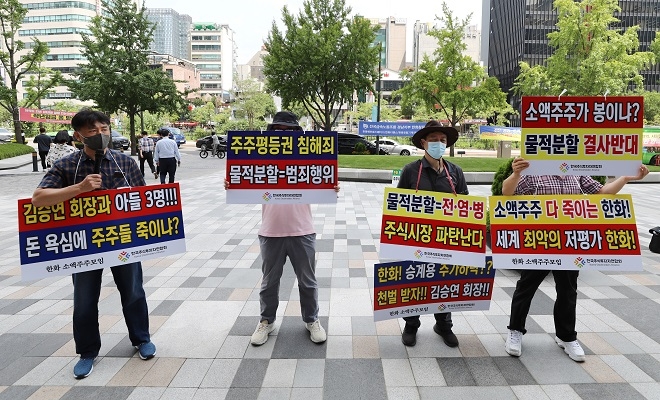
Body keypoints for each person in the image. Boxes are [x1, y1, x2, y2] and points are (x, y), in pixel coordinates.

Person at [31, 109, 156, 379]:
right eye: (92, 131)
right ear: (78, 136)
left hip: (123, 240)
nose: (100, 135)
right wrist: (79, 188)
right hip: (85, 244)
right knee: (85, 299)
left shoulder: (125, 162)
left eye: (104, 129)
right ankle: (87, 351)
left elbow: (144, 200)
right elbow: (39, 198)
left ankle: (141, 339)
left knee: (134, 292)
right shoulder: (66, 166)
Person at [503, 157, 649, 362]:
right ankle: (515, 330)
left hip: (568, 243)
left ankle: (566, 336)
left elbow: (601, 192)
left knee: (568, 289)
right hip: (539, 241)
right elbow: (507, 193)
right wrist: (516, 173)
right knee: (526, 286)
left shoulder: (575, 172)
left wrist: (625, 177)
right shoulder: (532, 170)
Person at [225, 111, 336, 346]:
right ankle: (266, 320)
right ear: (271, 133)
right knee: (269, 282)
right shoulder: (261, 159)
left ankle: (311, 319)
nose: (283, 134)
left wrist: (331, 187)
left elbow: (323, 181)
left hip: (302, 230)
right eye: (278, 130)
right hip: (271, 231)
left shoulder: (308, 158)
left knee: (308, 281)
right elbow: (244, 180)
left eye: (289, 130)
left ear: (298, 134)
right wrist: (233, 184)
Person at [396, 120, 468, 348]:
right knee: (415, 279)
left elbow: (465, 205)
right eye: (434, 140)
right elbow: (398, 206)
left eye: (443, 140)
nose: (439, 144)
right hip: (417, 238)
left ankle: (444, 325)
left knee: (444, 280)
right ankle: (411, 324)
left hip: (447, 239)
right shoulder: (410, 171)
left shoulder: (455, 171)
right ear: (423, 143)